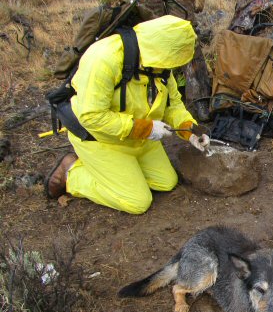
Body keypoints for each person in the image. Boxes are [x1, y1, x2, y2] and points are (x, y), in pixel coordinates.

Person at [44, 15, 209, 214]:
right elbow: (92, 117)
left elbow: (172, 105)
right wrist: (144, 128)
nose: (172, 68)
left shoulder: (160, 65)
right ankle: (72, 173)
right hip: (102, 140)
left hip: (139, 139)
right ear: (159, 48)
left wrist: (190, 131)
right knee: (138, 202)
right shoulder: (104, 58)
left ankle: (124, 171)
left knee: (166, 182)